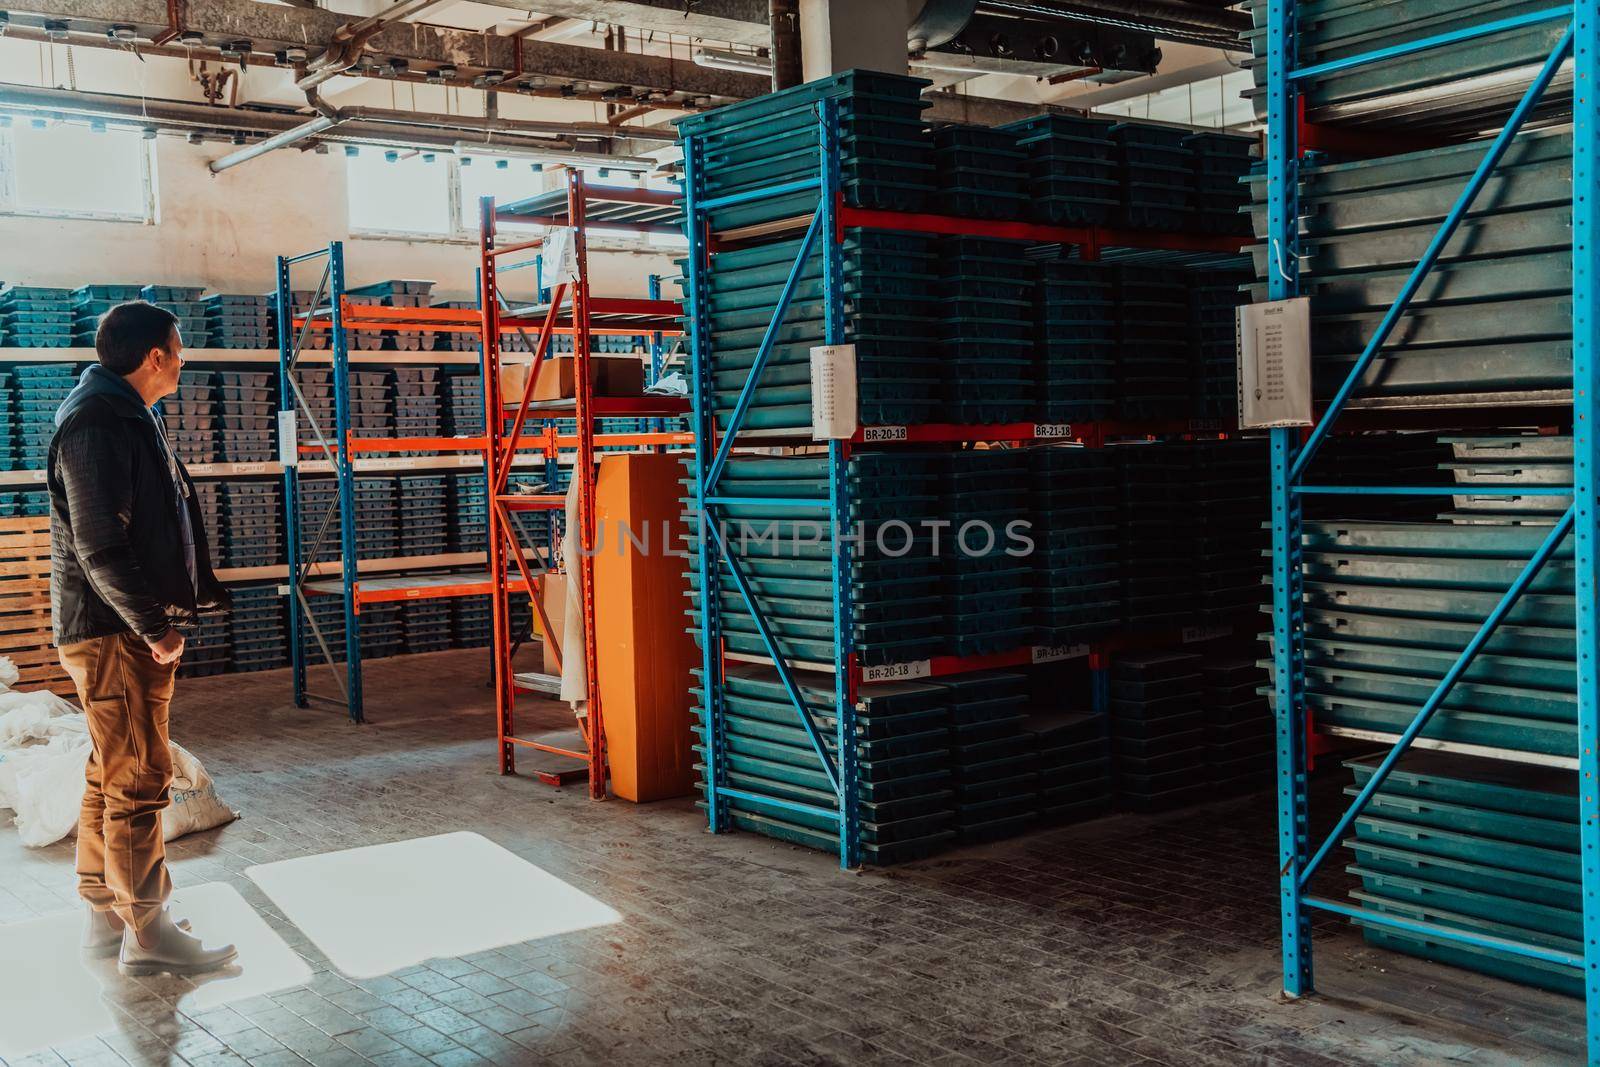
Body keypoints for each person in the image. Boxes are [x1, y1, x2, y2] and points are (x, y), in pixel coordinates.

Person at [49, 301, 237, 976]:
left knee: (110, 771)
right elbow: (98, 544)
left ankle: (107, 915)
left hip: (113, 626)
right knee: (139, 778)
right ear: (154, 355)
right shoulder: (97, 421)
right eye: (178, 348)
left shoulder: (121, 412)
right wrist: (154, 628)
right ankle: (150, 937)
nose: (183, 359)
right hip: (114, 631)